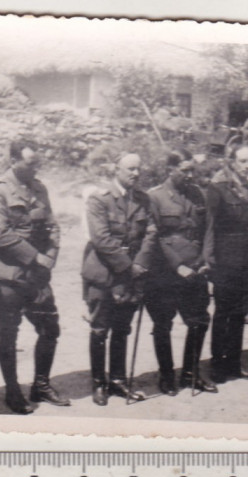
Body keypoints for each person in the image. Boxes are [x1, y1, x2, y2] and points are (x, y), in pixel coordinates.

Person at [0, 140, 70, 414]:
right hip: (9, 276)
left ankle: (41, 385)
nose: (36, 167)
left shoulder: (39, 188)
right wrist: (36, 257)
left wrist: (51, 255)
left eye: (37, 162)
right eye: (30, 162)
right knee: (9, 335)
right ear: (13, 161)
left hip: (38, 276)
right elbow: (1, 234)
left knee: (49, 328)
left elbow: (53, 225)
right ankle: (12, 391)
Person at [81, 153, 157, 406]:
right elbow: (101, 238)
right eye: (130, 169)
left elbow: (151, 232)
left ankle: (117, 380)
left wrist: (140, 263)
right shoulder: (99, 199)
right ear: (117, 170)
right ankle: (98, 383)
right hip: (104, 275)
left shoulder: (143, 200)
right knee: (100, 329)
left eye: (138, 169)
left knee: (123, 329)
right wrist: (128, 266)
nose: (135, 174)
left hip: (133, 275)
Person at [144, 150, 218, 395]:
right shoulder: (154, 197)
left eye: (191, 170)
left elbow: (208, 229)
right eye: (184, 170)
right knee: (163, 324)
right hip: (165, 272)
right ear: (170, 169)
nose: (189, 175)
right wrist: (178, 265)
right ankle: (166, 376)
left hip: (196, 267)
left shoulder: (198, 193)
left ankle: (190, 373)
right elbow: (157, 237)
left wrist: (206, 260)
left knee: (199, 321)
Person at [204, 146, 248, 383]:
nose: (246, 166)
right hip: (225, 260)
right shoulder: (218, 190)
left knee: (240, 313)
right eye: (242, 161)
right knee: (223, 313)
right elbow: (210, 225)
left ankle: (233, 363)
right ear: (232, 162)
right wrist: (209, 258)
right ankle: (217, 364)